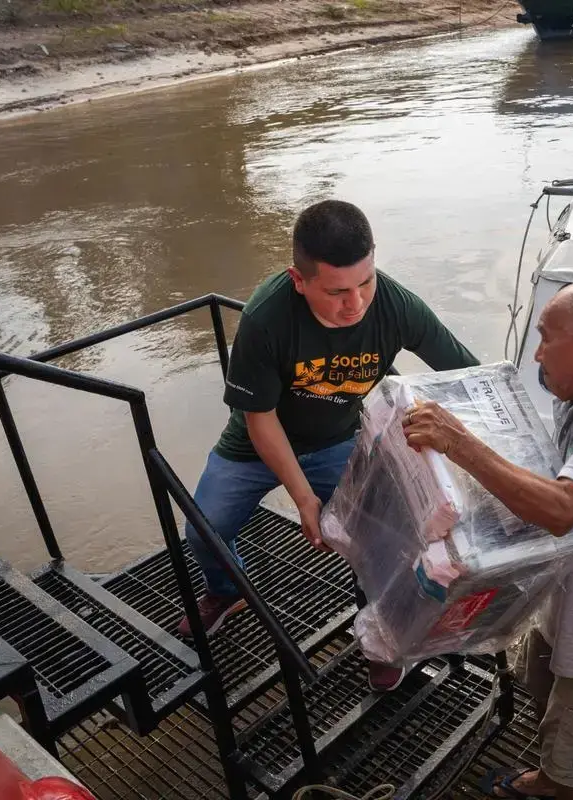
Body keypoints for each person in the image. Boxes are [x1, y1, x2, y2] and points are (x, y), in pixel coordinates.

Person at [178, 199, 479, 693]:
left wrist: (491, 456)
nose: (356, 303)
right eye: (337, 291)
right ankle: (225, 591)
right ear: (299, 281)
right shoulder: (266, 318)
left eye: (366, 282)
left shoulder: (396, 306)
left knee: (380, 540)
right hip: (258, 443)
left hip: (342, 438)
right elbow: (260, 419)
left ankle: (381, 638)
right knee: (203, 530)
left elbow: (466, 374)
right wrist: (304, 499)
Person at [401, 282, 573, 800]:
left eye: (546, 339)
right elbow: (546, 482)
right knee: (551, 702)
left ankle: (563, 787)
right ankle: (547, 779)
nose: (537, 353)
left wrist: (457, 440)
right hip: (566, 596)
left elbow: (560, 509)